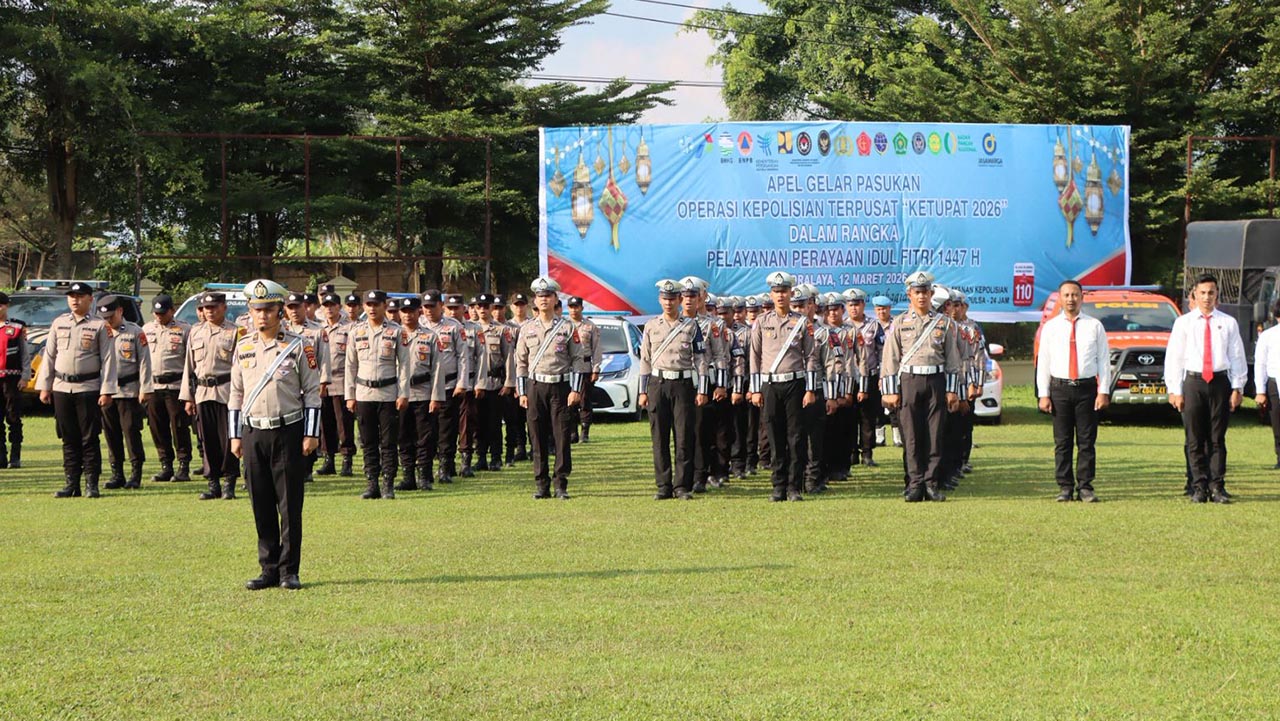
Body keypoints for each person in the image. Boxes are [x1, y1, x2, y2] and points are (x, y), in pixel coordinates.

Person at [229, 279, 322, 591]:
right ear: (250, 312)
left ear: (280, 310)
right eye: (257, 310)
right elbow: (235, 394)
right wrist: (235, 436)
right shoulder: (243, 347)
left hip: (288, 430)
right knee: (261, 503)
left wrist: (311, 434)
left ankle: (289, 571)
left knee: (289, 504)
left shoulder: (298, 346)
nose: (262, 316)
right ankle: (267, 568)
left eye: (268, 309)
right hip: (254, 431)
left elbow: (312, 393)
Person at [1165, 273, 1247, 503]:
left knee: (1217, 438)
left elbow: (1237, 356)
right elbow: (1175, 357)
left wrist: (1237, 387)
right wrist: (1175, 389)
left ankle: (1217, 486)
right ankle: (1198, 486)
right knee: (1194, 438)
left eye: (1211, 292)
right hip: (1193, 382)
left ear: (1217, 295)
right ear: (1194, 295)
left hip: (1220, 382)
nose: (1207, 297)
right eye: (1202, 293)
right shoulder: (1184, 323)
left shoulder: (1228, 322)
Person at [881, 271, 961, 503]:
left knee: (935, 435)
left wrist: (952, 390)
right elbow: (890, 359)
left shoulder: (944, 323)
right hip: (909, 381)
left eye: (925, 292)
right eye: (917, 292)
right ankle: (915, 484)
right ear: (909, 295)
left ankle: (932, 484)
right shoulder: (899, 323)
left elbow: (953, 360)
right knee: (911, 436)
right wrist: (890, 391)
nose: (922, 296)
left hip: (936, 380)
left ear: (931, 293)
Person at [36, 281, 119, 498]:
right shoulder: (59, 323)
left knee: (89, 438)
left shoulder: (100, 326)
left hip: (88, 387)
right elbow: (49, 356)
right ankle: (71, 483)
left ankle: (92, 483)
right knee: (68, 437)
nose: (75, 299)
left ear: (90, 299)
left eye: (80, 296)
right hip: (62, 387)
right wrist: (45, 386)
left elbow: (109, 360)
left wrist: (107, 390)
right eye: (71, 296)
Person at [1035, 279, 1111, 502]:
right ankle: (1065, 487)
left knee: (1087, 441)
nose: (1071, 299)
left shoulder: (1094, 326)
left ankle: (1085, 486)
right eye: (1066, 295)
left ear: (1082, 297)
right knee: (1063, 441)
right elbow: (1044, 363)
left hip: (1086, 388)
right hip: (1060, 389)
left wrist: (1103, 390)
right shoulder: (1051, 327)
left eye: (1075, 295)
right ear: (1060, 298)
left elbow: (1103, 361)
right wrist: (1043, 394)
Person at [749, 271, 821, 502]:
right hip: (770, 385)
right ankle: (778, 486)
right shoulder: (762, 322)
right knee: (774, 436)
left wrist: (810, 389)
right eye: (776, 291)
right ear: (771, 294)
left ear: (791, 293)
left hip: (795, 384)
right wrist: (755, 389)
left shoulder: (802, 322)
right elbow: (755, 357)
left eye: (784, 291)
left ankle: (794, 487)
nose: (780, 296)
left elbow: (811, 356)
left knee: (796, 437)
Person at [515, 276, 588, 499]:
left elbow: (578, 359)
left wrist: (576, 390)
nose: (543, 299)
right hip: (536, 387)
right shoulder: (527, 328)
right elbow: (521, 362)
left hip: (560, 388)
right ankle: (541, 484)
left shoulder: (567, 328)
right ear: (534, 301)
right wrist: (522, 391)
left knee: (562, 437)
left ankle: (560, 483)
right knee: (536, 436)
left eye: (547, 295)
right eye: (539, 296)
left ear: (556, 299)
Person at [638, 279, 709, 499]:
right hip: (658, 385)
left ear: (680, 300)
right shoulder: (651, 326)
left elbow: (701, 359)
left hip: (683, 384)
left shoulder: (691, 326)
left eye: (672, 299)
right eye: (665, 299)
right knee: (659, 437)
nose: (669, 303)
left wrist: (702, 389)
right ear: (660, 300)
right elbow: (645, 360)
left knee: (684, 437)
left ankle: (682, 486)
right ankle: (663, 486)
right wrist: (642, 391)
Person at [344, 289, 409, 499]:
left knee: (389, 442)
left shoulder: (397, 331)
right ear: (364, 307)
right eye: (369, 304)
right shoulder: (356, 331)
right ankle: (372, 483)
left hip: (388, 394)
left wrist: (403, 393)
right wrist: (350, 395)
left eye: (377, 304)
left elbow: (405, 366)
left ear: (384, 306)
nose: (372, 308)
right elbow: (350, 366)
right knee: (368, 441)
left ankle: (388, 483)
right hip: (363, 394)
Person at [181, 292, 243, 500]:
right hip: (202, 393)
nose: (210, 311)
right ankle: (213, 483)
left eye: (215, 307)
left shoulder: (236, 332)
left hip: (227, 392)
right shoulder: (196, 332)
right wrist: (188, 397)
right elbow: (189, 367)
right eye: (207, 308)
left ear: (224, 308)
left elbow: (241, 366)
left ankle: (229, 483)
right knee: (207, 441)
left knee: (229, 439)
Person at [99, 295, 152, 490]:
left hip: (129, 391)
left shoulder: (135, 332)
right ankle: (117, 474)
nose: (108, 320)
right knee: (111, 434)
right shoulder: (100, 331)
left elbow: (145, 362)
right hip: (106, 391)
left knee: (131, 432)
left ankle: (135, 473)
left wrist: (145, 388)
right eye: (104, 317)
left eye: (111, 316)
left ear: (120, 311)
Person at [396, 298, 448, 490]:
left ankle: (424, 476)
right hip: (400, 394)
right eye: (404, 311)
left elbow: (437, 369)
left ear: (418, 312)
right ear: (399, 313)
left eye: (411, 311)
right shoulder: (394, 334)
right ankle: (408, 476)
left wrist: (436, 397)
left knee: (425, 438)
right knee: (403, 436)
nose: (408, 315)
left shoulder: (430, 336)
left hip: (423, 393)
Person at [143, 294, 193, 482]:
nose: (159, 317)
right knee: (157, 427)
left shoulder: (184, 329)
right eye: (156, 313)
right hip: (153, 385)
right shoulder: (146, 329)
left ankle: (183, 465)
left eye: (163, 313)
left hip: (176, 385)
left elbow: (190, 361)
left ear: (172, 310)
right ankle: (166, 464)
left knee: (179, 426)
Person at [422, 290, 468, 483]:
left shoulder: (454, 327)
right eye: (426, 307)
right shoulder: (418, 327)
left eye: (433, 306)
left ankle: (445, 467)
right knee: (426, 430)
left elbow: (463, 356)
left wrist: (462, 383)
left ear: (441, 306)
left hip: (448, 385)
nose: (429, 310)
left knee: (446, 429)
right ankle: (425, 468)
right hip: (424, 387)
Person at [474, 293, 515, 470]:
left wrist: (509, 383)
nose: (482, 309)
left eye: (486, 306)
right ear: (475, 308)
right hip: (475, 383)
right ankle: (481, 457)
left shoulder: (501, 330)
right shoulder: (469, 329)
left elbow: (509, 357)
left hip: (495, 382)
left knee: (494, 423)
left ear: (492, 308)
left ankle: (496, 458)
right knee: (478, 423)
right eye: (479, 306)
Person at [317, 292, 355, 477]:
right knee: (326, 423)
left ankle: (347, 460)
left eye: (332, 305)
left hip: (342, 380)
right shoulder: (318, 328)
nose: (329, 309)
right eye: (326, 305)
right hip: (322, 382)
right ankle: (328, 459)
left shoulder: (350, 328)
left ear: (339, 307)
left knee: (344, 423)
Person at [566, 296, 602, 444]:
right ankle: (572, 432)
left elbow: (597, 349)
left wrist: (596, 369)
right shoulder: (563, 325)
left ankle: (585, 432)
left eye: (576, 307)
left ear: (581, 308)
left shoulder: (590, 326)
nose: (574, 310)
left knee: (584, 401)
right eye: (571, 307)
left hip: (585, 367)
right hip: (568, 368)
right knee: (569, 402)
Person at [0, 292, 30, 468]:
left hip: (12, 379)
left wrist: (25, 376)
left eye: (1, 305)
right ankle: (1, 456)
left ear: (7, 306)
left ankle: (15, 455)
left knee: (13, 417)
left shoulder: (17, 327)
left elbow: (25, 354)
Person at [504, 293, 531, 464]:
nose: (519, 308)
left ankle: (534, 447)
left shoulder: (532, 325)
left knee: (532, 415)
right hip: (512, 375)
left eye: (522, 304)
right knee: (514, 417)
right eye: (516, 305)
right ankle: (519, 447)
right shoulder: (506, 327)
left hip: (530, 375)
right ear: (511, 307)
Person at [1254, 301, 1280, 469]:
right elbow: (1260, 364)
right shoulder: (1268, 336)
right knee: (1277, 422)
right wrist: (1260, 391)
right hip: (1274, 383)